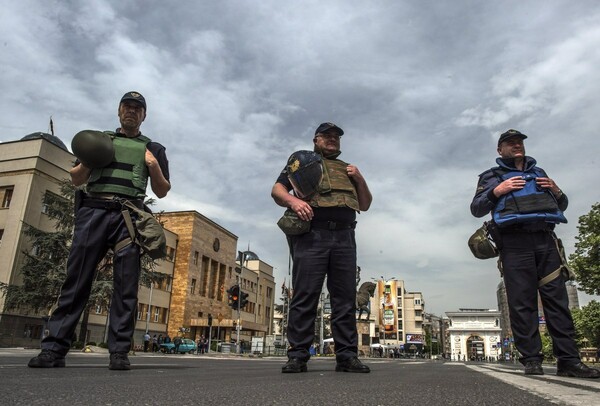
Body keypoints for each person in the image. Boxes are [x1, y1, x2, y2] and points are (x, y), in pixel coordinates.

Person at [28, 91, 171, 371]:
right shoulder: (100, 141)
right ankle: (54, 350)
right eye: (127, 106)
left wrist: (152, 165)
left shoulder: (153, 148)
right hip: (93, 211)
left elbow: (162, 191)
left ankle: (119, 352)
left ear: (144, 115)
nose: (131, 111)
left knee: (125, 287)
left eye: (137, 108)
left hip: (128, 218)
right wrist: (91, 159)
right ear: (119, 111)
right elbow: (76, 178)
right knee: (76, 281)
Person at [471, 129, 599, 379]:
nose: (517, 145)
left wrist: (557, 190)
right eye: (510, 143)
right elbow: (476, 208)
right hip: (514, 243)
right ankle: (531, 359)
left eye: (519, 142)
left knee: (558, 303)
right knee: (522, 304)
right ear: (500, 150)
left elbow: (560, 205)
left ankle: (569, 361)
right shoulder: (491, 176)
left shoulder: (539, 173)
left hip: (545, 241)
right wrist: (498, 190)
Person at [271, 122, 372, 373]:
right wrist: (293, 201)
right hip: (312, 234)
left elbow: (366, 203)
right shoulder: (303, 161)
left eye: (336, 136)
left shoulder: (348, 169)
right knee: (305, 295)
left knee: (345, 300)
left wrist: (359, 178)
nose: (332, 139)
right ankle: (298, 355)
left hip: (345, 237)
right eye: (327, 135)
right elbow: (277, 189)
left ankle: (347, 356)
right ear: (315, 140)